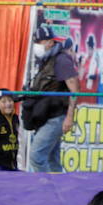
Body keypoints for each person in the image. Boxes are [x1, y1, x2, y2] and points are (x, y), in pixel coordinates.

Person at [20, 25, 78, 173]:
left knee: (36, 156)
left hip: (56, 116)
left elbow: (74, 90)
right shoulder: (47, 59)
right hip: (47, 115)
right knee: (52, 159)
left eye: (40, 42)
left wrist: (70, 117)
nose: (37, 46)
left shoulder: (62, 60)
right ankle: (61, 188)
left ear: (50, 42)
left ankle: (45, 188)